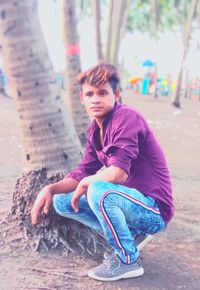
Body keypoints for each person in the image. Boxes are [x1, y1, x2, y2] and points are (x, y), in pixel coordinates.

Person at [31, 63, 174, 282]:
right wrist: (50, 188)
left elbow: (118, 174)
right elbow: (83, 171)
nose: (95, 99)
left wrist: (86, 183)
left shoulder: (126, 117)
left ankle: (128, 260)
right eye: (89, 94)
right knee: (62, 201)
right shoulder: (95, 129)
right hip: (128, 203)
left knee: (99, 190)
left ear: (116, 95)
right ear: (82, 98)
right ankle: (131, 237)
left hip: (154, 210)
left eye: (102, 93)